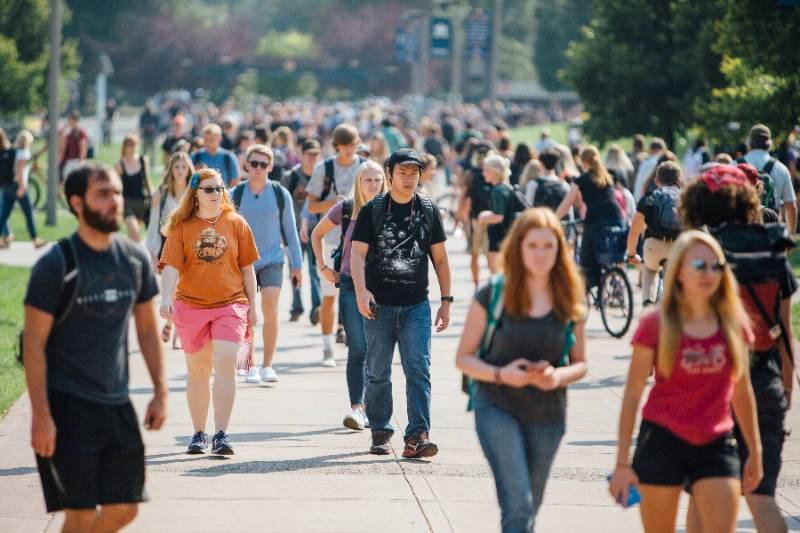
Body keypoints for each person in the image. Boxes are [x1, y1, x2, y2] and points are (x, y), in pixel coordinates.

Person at [23, 163, 166, 532]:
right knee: (82, 513)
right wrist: (41, 415)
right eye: (103, 194)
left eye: (117, 192)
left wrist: (160, 391)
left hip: (116, 402)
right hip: (66, 404)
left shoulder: (134, 260)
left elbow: (148, 328)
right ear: (77, 203)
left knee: (126, 507)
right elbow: (33, 345)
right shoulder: (57, 265)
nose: (115, 201)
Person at [610, 230, 762, 533]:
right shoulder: (655, 324)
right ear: (678, 270)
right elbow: (631, 397)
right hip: (662, 439)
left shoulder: (734, 323)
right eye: (698, 266)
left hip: (716, 441)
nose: (709, 273)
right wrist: (622, 464)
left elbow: (742, 392)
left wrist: (755, 453)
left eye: (715, 266)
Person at [456, 208, 588, 533]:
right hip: (496, 405)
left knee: (530, 507)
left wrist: (557, 376)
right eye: (533, 245)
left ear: (560, 249)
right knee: (519, 505)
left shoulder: (570, 297)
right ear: (518, 248)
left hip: (548, 413)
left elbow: (581, 363)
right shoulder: (494, 294)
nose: (541, 254)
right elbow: (464, 358)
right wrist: (502, 375)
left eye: (548, 246)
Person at [681, 165, 797, 533]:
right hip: (765, 379)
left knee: (701, 493)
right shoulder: (772, 250)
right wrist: (786, 387)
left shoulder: (701, 254)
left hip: (710, 385)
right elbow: (784, 332)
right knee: (761, 496)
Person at [350, 148, 452, 458]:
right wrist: (361, 291)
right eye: (403, 172)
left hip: (416, 306)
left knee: (418, 368)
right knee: (378, 371)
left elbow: (441, 258)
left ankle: (417, 436)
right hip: (378, 306)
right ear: (390, 174)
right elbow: (356, 254)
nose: (409, 178)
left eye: (414, 173)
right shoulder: (373, 210)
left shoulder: (428, 209)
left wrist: (446, 301)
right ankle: (380, 431)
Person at [159, 168, 260, 456]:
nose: (216, 194)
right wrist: (166, 298)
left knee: (227, 360)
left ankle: (221, 434)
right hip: (191, 306)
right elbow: (171, 268)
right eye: (209, 189)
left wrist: (253, 306)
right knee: (199, 371)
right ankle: (199, 433)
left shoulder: (236, 223)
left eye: (219, 189)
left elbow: (247, 267)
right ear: (195, 194)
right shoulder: (181, 228)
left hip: (231, 304)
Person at [311, 160, 387, 430]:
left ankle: (375, 407)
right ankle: (357, 408)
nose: (373, 185)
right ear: (358, 182)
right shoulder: (345, 209)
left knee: (378, 351)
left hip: (383, 287)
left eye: (378, 180)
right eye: (368, 180)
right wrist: (322, 267)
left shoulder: (391, 209)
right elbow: (316, 233)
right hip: (348, 284)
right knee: (358, 349)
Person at [232, 145, 302, 384]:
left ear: (271, 167)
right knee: (246, 314)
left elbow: (291, 232)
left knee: (270, 309)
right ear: (247, 165)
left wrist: (297, 265)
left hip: (272, 260)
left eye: (264, 164)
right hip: (242, 264)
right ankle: (247, 364)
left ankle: (268, 366)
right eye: (255, 164)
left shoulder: (281, 194)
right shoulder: (236, 194)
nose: (259, 169)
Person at [306, 124, 364, 366]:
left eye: (354, 145)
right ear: (337, 146)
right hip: (331, 240)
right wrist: (334, 203)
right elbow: (311, 205)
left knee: (361, 292)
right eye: (346, 145)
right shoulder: (324, 168)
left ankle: (360, 346)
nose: (350, 150)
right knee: (329, 296)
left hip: (360, 239)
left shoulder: (364, 167)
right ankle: (327, 348)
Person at [556, 146, 625, 289]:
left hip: (596, 221)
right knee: (608, 252)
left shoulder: (581, 180)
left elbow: (567, 203)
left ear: (583, 162)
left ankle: (588, 288)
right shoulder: (607, 176)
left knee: (586, 262)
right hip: (616, 218)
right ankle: (615, 280)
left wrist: (553, 219)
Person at [145, 151, 193, 346]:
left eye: (183, 167)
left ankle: (175, 327)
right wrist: (152, 250)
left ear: (189, 169)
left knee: (184, 289)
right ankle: (173, 322)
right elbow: (153, 223)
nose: (180, 171)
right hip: (167, 245)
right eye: (176, 167)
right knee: (172, 290)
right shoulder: (160, 194)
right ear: (171, 169)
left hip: (190, 245)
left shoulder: (194, 192)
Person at [626, 161, 683, 306]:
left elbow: (634, 231)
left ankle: (648, 303)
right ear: (679, 180)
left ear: (657, 181)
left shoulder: (650, 198)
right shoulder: (686, 197)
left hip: (654, 246)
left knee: (650, 271)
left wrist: (632, 254)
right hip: (678, 247)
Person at [282, 139, 322, 323]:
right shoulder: (292, 177)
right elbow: (283, 206)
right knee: (295, 270)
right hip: (295, 231)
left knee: (315, 269)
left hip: (316, 231)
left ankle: (317, 308)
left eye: (316, 154)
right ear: (302, 154)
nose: (312, 158)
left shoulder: (322, 176)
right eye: (309, 154)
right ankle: (296, 307)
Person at [742, 124, 797, 234]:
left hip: (742, 233)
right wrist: (790, 235)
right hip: (772, 232)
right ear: (769, 143)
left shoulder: (735, 165)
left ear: (749, 142)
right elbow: (790, 206)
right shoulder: (781, 168)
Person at [459, 141, 496, 287]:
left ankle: (476, 285)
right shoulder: (495, 172)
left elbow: (464, 196)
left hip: (475, 218)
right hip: (493, 217)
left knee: (474, 254)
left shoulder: (470, 174)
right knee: (490, 253)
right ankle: (493, 282)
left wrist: (460, 216)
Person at [0, 130, 46, 249]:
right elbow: (20, 170)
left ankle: (2, 238)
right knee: (28, 213)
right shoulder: (23, 153)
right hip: (18, 186)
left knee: (4, 215)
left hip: (7, 186)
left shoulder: (12, 151)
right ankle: (35, 239)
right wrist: (22, 187)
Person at [477, 154, 517, 273]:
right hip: (507, 235)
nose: (483, 173)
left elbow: (499, 217)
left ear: (493, 171)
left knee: (497, 273)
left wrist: (483, 217)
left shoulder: (498, 190)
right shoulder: (507, 187)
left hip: (499, 237)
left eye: (485, 170)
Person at [115, 134, 153, 243]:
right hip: (127, 204)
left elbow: (148, 182)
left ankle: (132, 255)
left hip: (143, 203)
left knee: (154, 234)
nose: (133, 148)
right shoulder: (119, 164)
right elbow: (116, 188)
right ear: (125, 147)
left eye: (135, 145)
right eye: (130, 145)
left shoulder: (143, 160)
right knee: (134, 231)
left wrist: (154, 197)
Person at [191, 124, 240, 188]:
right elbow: (191, 183)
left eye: (211, 140)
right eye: (205, 139)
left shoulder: (229, 157)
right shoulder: (196, 156)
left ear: (220, 139)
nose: (208, 143)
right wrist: (197, 174)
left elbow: (235, 182)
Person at [59, 111, 88, 181]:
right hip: (69, 161)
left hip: (76, 161)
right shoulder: (70, 132)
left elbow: (83, 147)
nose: (68, 122)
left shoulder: (80, 132)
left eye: (70, 120)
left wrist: (81, 161)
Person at [139, 99, 159, 167]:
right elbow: (141, 125)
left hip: (153, 136)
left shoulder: (155, 115)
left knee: (153, 152)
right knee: (144, 152)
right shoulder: (143, 115)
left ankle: (153, 165)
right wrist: (146, 127)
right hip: (145, 136)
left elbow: (158, 125)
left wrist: (153, 128)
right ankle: (143, 165)